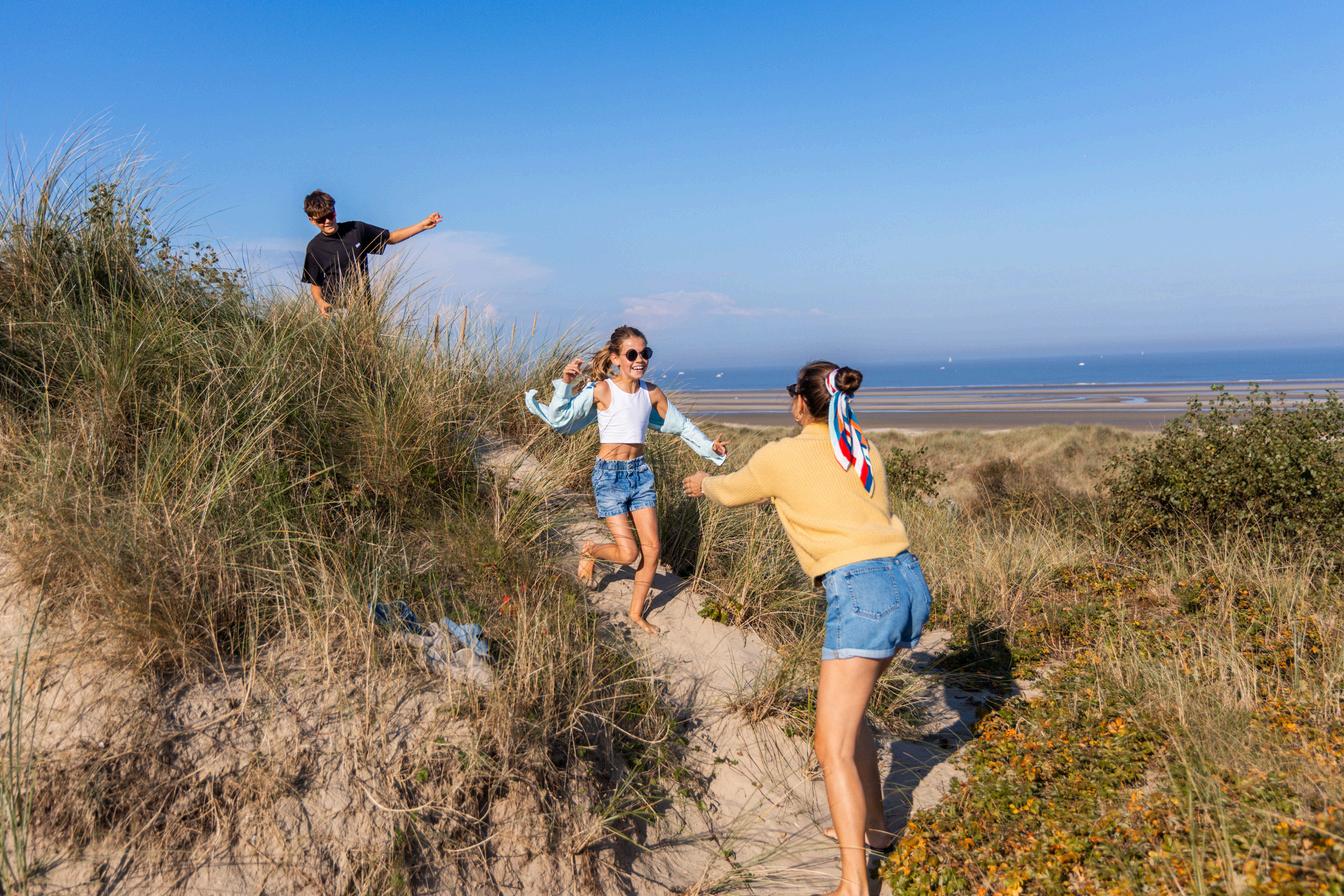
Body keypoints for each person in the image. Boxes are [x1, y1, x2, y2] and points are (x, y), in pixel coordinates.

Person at [681, 361, 932, 896]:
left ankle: (853, 884)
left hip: (862, 590)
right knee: (851, 721)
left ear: (800, 402)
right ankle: (875, 828)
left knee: (830, 745)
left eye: (792, 394)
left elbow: (732, 491)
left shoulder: (781, 455)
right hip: (907, 581)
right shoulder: (860, 447)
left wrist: (702, 482)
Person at [524, 325, 728, 634]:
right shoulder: (601, 390)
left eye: (645, 353)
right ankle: (591, 550)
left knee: (653, 549)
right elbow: (559, 418)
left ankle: (636, 613)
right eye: (632, 354)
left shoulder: (652, 393)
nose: (640, 359)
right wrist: (565, 384)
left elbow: (682, 426)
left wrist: (709, 447)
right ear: (617, 358)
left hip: (640, 475)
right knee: (628, 553)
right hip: (609, 477)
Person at [300, 190, 442, 316]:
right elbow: (315, 284)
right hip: (334, 310)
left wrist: (422, 225)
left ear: (335, 211)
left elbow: (391, 238)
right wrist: (320, 302)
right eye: (321, 219)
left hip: (364, 309)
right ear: (311, 220)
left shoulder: (356, 229)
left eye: (330, 215)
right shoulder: (314, 247)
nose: (327, 221)